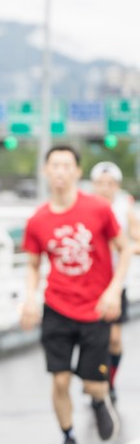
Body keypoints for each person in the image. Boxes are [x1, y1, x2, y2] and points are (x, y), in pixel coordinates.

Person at [21, 146, 130, 444]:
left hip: (95, 308)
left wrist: (113, 290)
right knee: (59, 380)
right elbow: (31, 263)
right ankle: (68, 438)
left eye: (67, 166)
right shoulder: (38, 219)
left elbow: (124, 249)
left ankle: (99, 400)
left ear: (77, 172)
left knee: (93, 384)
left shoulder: (98, 209)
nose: (60, 172)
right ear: (45, 171)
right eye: (54, 165)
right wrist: (29, 296)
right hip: (56, 307)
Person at [89, 161, 140, 401]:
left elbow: (137, 241)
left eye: (109, 184)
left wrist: (124, 248)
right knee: (91, 337)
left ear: (116, 186)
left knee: (114, 339)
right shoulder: (85, 208)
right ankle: (93, 380)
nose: (104, 188)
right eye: (100, 183)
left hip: (116, 282)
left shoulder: (124, 209)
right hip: (89, 283)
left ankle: (109, 379)